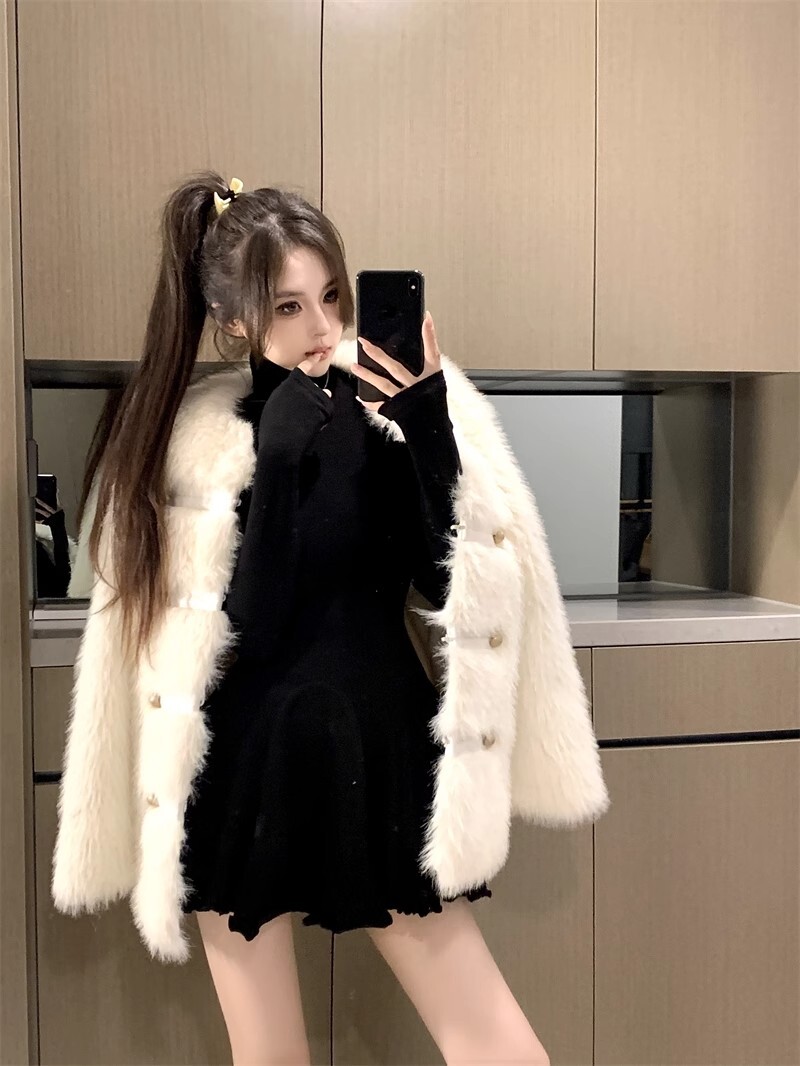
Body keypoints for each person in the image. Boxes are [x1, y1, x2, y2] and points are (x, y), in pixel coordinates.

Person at [51, 172, 610, 1065]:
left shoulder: (388, 411)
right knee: (269, 1057)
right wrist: (275, 462)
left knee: (499, 1047)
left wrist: (429, 436)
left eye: (332, 296)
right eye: (288, 305)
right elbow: (252, 627)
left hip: (380, 747)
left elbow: (447, 585)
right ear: (233, 319)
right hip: (246, 763)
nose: (321, 326)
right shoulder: (199, 442)